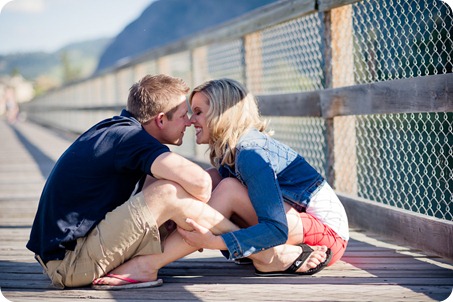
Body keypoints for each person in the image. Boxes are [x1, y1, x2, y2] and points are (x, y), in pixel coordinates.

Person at [26, 74, 241, 290]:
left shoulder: (118, 130)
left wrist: (176, 211)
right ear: (160, 120)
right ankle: (250, 245)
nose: (189, 121)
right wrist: (182, 207)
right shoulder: (131, 139)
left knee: (183, 182)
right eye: (183, 115)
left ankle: (247, 244)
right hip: (69, 264)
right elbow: (201, 184)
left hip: (71, 252)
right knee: (169, 192)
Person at [177, 78, 349, 275]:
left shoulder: (251, 153)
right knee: (211, 180)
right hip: (296, 225)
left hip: (327, 237)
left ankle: (153, 261)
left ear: (221, 113)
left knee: (228, 189)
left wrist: (215, 242)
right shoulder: (230, 152)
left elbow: (276, 227)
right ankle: (157, 252)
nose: (191, 120)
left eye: (198, 112)